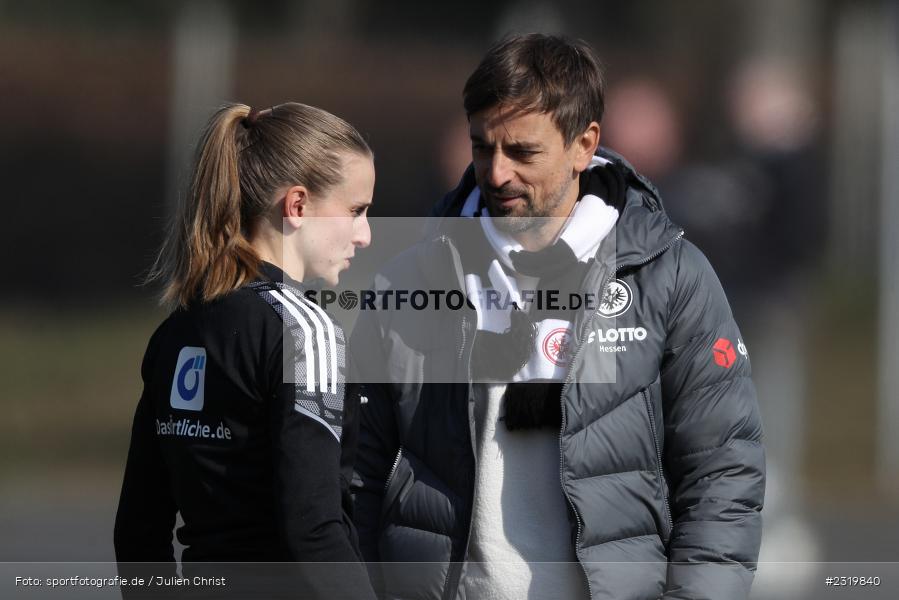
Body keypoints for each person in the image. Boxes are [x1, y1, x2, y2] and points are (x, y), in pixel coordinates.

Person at [350, 34, 765, 599]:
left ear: (583, 145)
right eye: (481, 147)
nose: (495, 173)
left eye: (522, 152)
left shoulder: (670, 276)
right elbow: (354, 476)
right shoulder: (407, 281)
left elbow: (721, 475)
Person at [114, 102, 377, 599]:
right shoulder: (305, 332)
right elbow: (314, 531)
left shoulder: (176, 331)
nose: (365, 235)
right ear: (297, 206)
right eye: (357, 210)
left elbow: (138, 531)